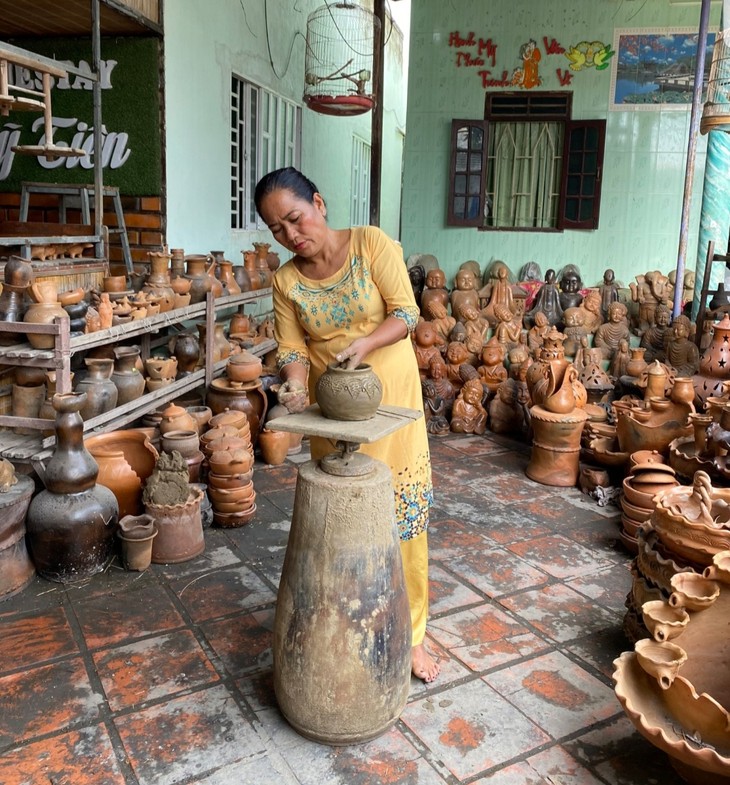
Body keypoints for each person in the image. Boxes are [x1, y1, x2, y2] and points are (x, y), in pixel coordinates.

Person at [254, 167, 440, 683]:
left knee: (402, 521)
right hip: (333, 411)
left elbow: (406, 314)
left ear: (319, 203)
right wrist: (293, 386)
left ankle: (412, 636)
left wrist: (363, 345)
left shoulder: (371, 245)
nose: (292, 235)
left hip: (390, 398)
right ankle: (351, 625)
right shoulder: (286, 280)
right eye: (278, 230)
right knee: (341, 529)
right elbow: (292, 349)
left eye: (295, 218)